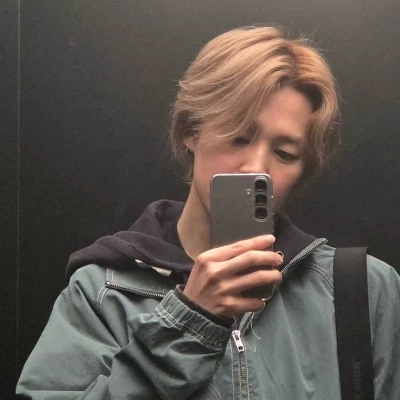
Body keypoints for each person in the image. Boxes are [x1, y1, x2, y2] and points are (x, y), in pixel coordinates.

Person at [17, 26, 400, 399]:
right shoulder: (103, 292)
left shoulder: (363, 291)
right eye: (239, 137)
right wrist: (188, 321)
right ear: (191, 130)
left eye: (285, 154)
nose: (256, 167)